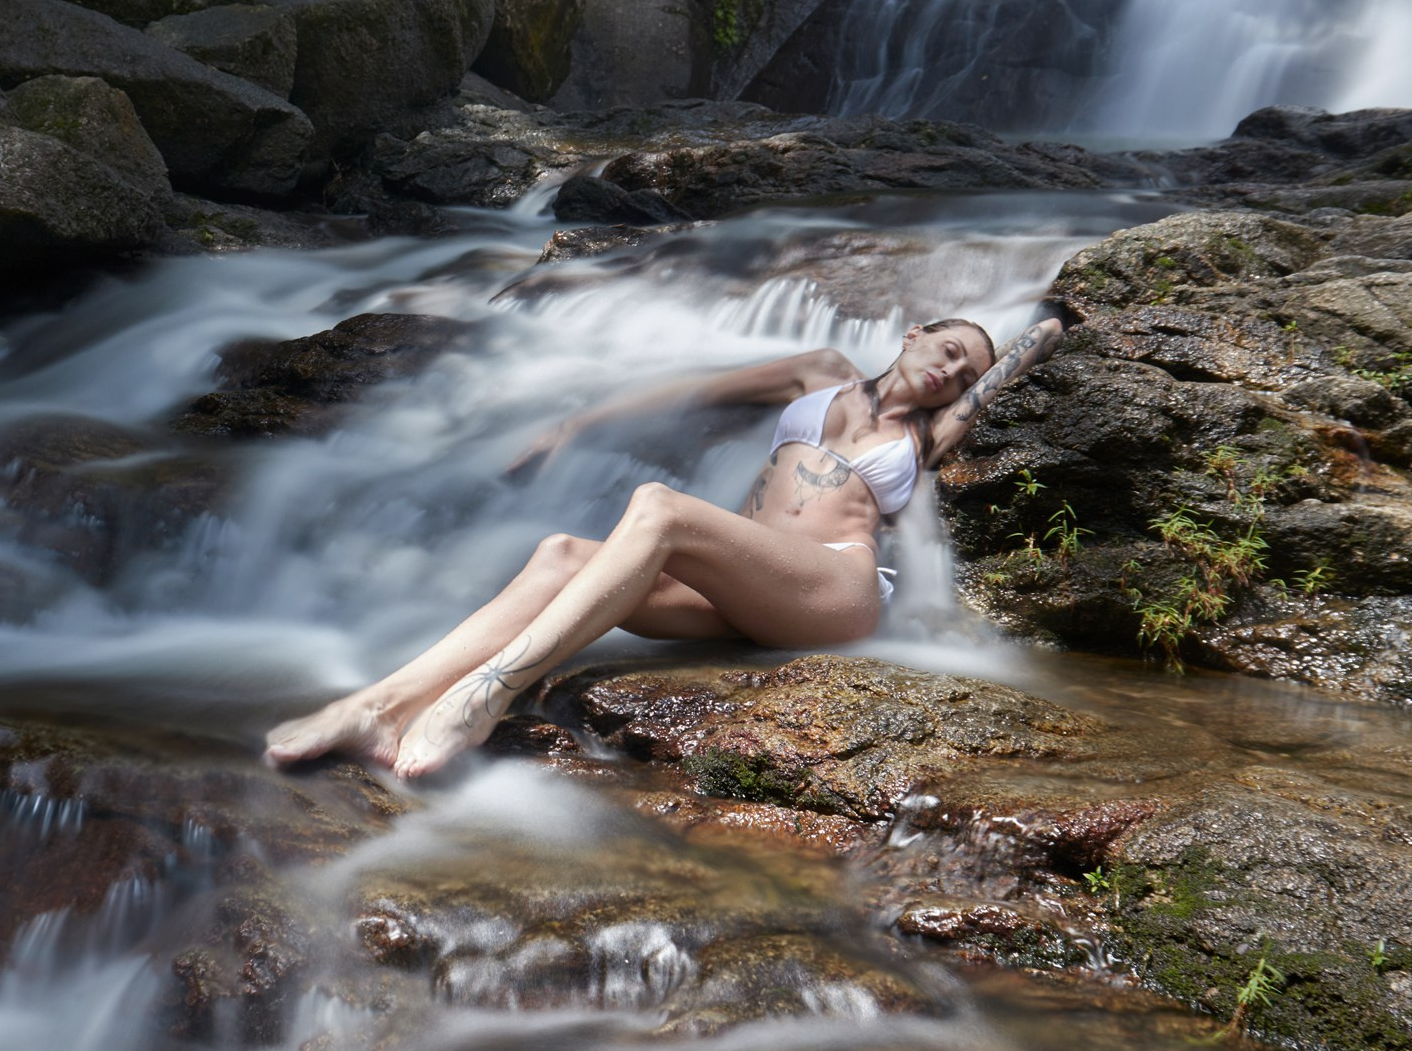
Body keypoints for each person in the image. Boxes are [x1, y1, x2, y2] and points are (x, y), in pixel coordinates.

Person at [265, 314, 1066, 778]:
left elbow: (1028, 355)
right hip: (744, 588)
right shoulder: (818, 374)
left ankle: (488, 693)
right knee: (562, 554)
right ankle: (374, 706)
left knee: (660, 509)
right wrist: (578, 422)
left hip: (831, 593)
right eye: (949, 350)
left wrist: (1049, 324)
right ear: (915, 333)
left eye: (965, 373)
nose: (952, 372)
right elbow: (694, 390)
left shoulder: (929, 433)